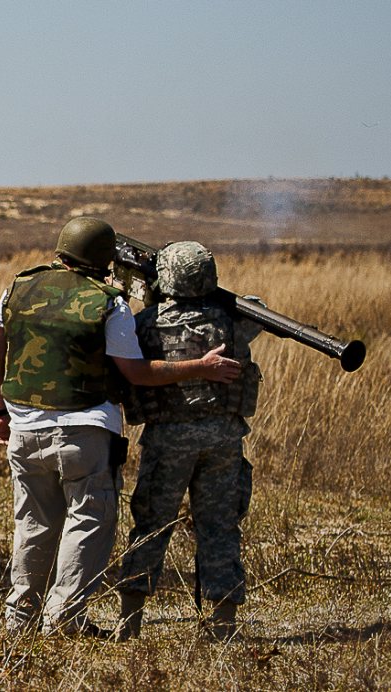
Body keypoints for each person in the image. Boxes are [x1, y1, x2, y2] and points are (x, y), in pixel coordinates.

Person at [0, 216, 242, 636]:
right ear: (106, 260)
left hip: (24, 428)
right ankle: (64, 617)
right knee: (88, 522)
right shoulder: (110, 303)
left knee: (33, 523)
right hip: (84, 431)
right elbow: (136, 373)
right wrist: (202, 366)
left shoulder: (16, 287)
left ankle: (20, 618)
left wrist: (0, 413)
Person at [115, 241, 262, 641]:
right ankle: (223, 626)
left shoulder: (146, 323)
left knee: (150, 526)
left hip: (167, 440)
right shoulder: (233, 322)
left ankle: (129, 625)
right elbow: (257, 307)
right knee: (219, 527)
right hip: (223, 440)